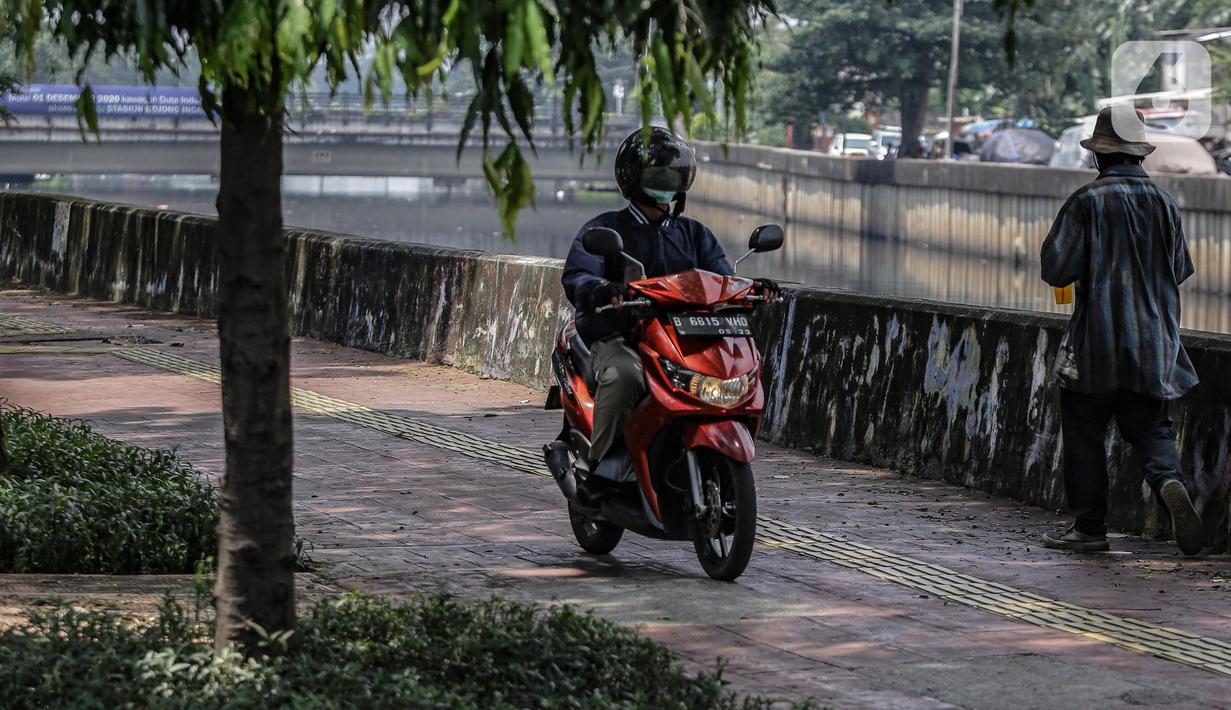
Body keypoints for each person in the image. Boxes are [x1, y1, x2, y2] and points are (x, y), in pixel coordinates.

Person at [561, 127, 778, 474]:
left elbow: (723, 279)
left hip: (681, 339)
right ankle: (597, 467)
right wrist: (604, 289)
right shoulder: (604, 229)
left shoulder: (694, 234)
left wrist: (752, 287)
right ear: (633, 178)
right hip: (621, 337)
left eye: (674, 174)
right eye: (658, 174)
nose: (667, 182)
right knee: (625, 376)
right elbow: (578, 277)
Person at [1039, 105, 1204, 555]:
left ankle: (1089, 528)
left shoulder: (1087, 200)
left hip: (1097, 342)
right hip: (1156, 343)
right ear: (1139, 155)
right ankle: (1169, 481)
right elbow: (1179, 269)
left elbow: (1056, 269)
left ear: (1099, 156)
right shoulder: (1165, 203)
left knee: (1084, 431)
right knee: (1151, 429)